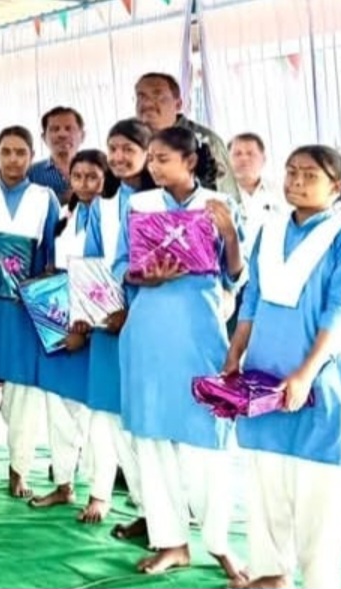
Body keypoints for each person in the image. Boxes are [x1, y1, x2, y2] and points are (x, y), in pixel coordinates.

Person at [225, 146, 341, 589]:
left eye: (309, 174)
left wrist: (305, 374)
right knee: (265, 479)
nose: (297, 181)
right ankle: (271, 573)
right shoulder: (269, 231)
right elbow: (251, 298)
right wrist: (235, 352)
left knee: (318, 491)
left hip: (318, 378)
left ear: (336, 186)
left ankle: (320, 581)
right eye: (291, 172)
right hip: (263, 373)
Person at [112, 126, 247, 583]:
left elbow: (236, 276)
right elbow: (120, 267)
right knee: (152, 440)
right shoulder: (139, 205)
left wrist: (229, 235)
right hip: (147, 334)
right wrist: (146, 276)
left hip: (200, 335)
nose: (153, 166)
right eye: (150, 158)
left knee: (207, 441)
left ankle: (220, 544)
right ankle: (171, 541)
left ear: (190, 162)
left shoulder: (218, 205)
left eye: (163, 158)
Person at [0, 126, 61, 498]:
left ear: (31, 156)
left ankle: (19, 469)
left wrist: (39, 284)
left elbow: (52, 253)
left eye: (21, 152)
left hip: (25, 307)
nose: (13, 159)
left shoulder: (45, 198)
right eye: (6, 152)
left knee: (23, 390)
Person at [81, 118, 155, 531]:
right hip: (107, 325)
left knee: (144, 421)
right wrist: (94, 315)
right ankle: (114, 496)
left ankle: (156, 511)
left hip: (149, 326)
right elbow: (92, 265)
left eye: (129, 148)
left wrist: (134, 313)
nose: (119, 157)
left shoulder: (162, 203)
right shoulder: (103, 207)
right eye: (113, 148)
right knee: (105, 416)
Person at [30, 150, 109, 512]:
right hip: (60, 322)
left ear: (106, 179)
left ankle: (99, 494)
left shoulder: (112, 218)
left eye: (93, 176)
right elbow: (53, 267)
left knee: (96, 417)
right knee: (58, 408)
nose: (85, 184)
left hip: (96, 326)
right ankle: (63, 484)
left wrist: (86, 326)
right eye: (78, 177)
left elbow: (105, 278)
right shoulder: (64, 215)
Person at [134, 72, 238, 198]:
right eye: (141, 96)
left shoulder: (205, 141)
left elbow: (228, 200)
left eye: (157, 96)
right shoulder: (131, 143)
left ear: (178, 105)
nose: (147, 104)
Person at [228, 132, 287, 250]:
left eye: (250, 154)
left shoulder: (281, 192)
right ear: (227, 159)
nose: (244, 159)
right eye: (237, 154)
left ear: (263, 159)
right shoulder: (217, 193)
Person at [28, 106, 86, 204]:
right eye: (55, 129)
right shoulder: (31, 174)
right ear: (44, 138)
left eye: (69, 129)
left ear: (83, 136)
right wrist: (62, 199)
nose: (62, 134)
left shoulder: (101, 169)